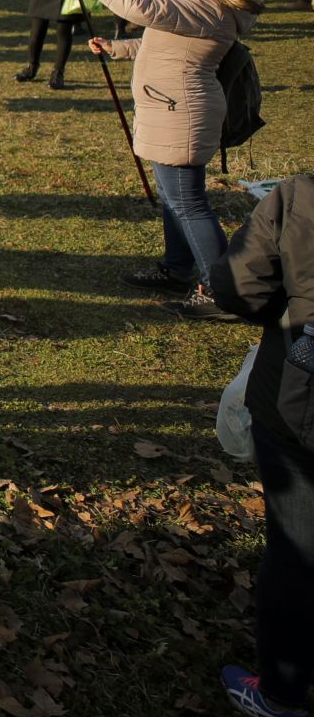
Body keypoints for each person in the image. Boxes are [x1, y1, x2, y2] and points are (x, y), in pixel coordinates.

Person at [46, 0, 263, 316]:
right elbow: (164, 41)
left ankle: (222, 292)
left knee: (189, 203)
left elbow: (137, 9)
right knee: (173, 197)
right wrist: (118, 48)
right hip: (170, 108)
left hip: (181, 113)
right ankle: (177, 268)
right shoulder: (195, 3)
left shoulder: (206, 5)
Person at [210, 174, 314, 716]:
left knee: (299, 552)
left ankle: (281, 693)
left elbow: (237, 285)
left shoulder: (300, 198)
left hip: (301, 406)